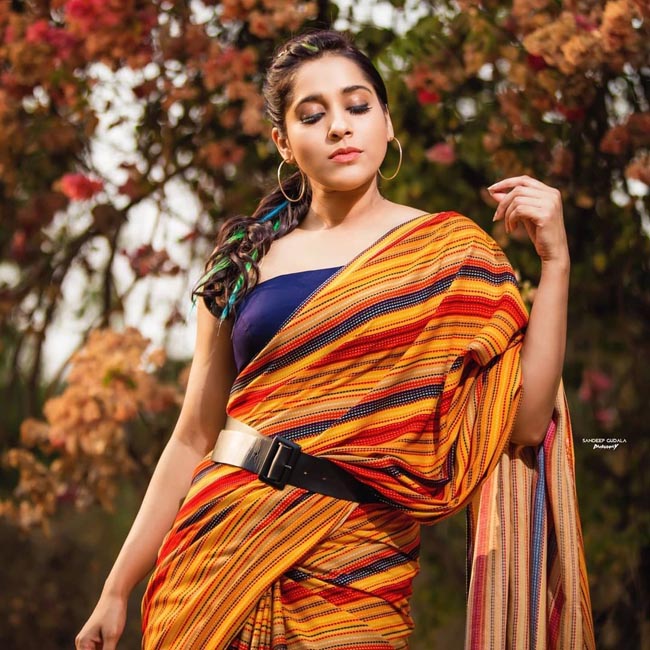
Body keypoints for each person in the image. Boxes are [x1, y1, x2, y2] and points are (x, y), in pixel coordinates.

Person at [76, 30, 595, 650]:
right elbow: (192, 435)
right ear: (283, 143)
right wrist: (116, 589)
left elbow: (527, 423)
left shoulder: (450, 255)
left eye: (357, 105)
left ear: (387, 122)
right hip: (216, 554)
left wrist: (556, 263)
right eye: (312, 115)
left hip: (356, 560)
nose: (340, 127)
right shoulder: (243, 261)